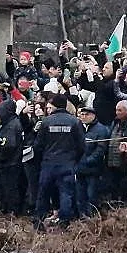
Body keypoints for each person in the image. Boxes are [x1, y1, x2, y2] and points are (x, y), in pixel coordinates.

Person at [33, 94, 85, 230]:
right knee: (66, 194)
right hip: (67, 164)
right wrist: (74, 160)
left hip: (48, 163)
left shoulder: (46, 121)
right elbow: (81, 146)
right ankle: (64, 223)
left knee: (43, 193)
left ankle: (38, 221)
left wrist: (43, 158)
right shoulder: (75, 122)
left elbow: (37, 145)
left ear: (54, 105)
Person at [75, 107, 110, 218]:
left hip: (93, 170)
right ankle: (82, 218)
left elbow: (100, 151)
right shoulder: (78, 128)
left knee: (91, 197)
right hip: (79, 169)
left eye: (86, 114)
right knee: (80, 197)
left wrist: (86, 161)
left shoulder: (101, 130)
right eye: (82, 114)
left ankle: (92, 219)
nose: (83, 117)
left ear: (93, 115)